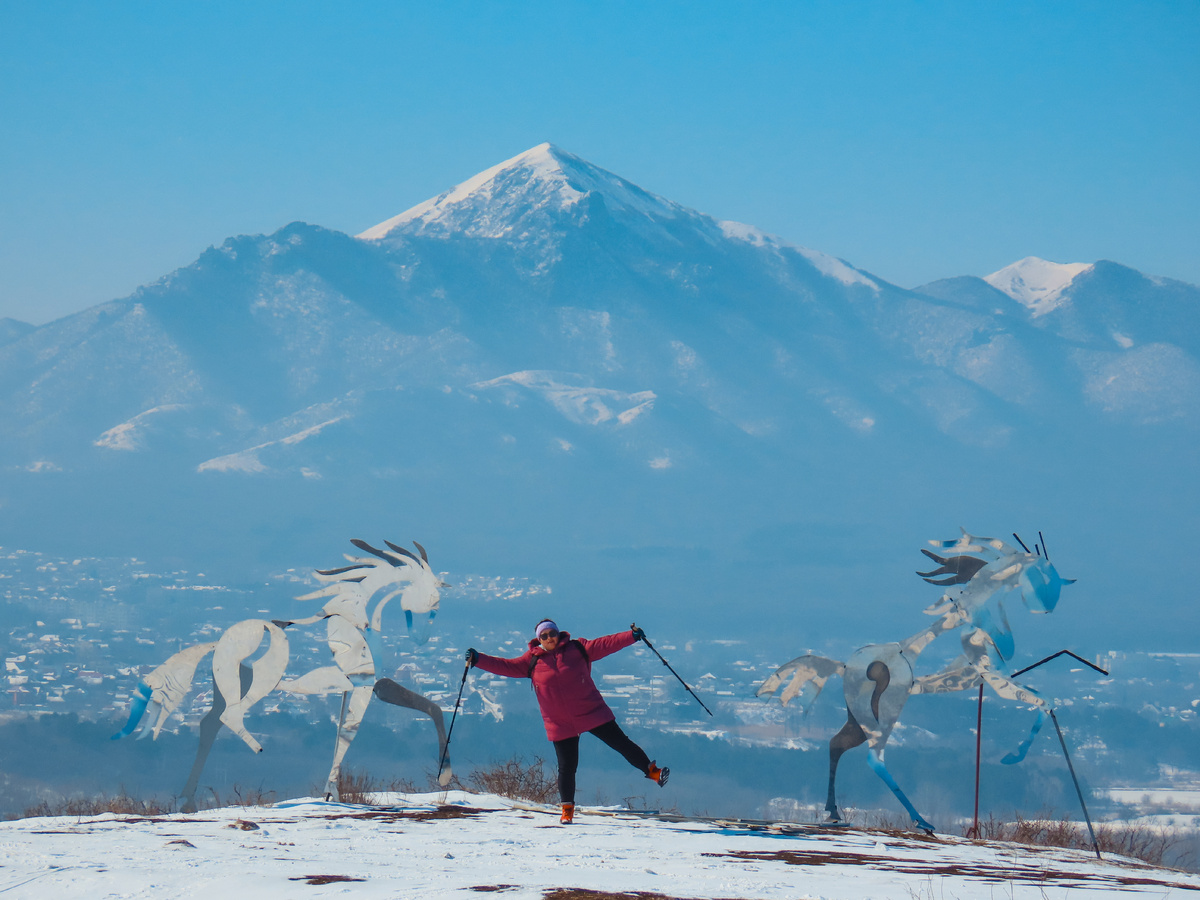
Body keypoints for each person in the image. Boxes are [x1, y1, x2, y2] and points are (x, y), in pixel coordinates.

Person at [466, 618, 668, 824]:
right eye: (543, 636)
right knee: (567, 766)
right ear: (538, 640)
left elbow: (606, 644)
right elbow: (505, 666)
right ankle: (567, 810)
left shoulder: (578, 648)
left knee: (621, 743)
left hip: (591, 711)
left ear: (558, 633)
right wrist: (478, 659)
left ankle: (653, 772)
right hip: (559, 722)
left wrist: (631, 636)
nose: (549, 638)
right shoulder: (532, 660)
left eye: (551, 633)